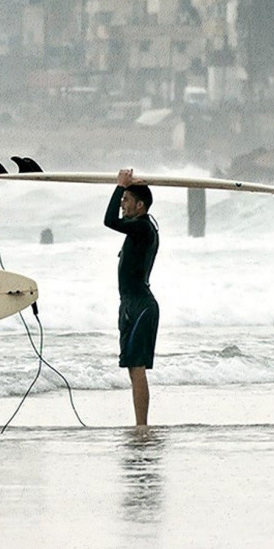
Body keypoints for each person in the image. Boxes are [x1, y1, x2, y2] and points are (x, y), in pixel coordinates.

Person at [104, 168, 160, 427]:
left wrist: (119, 186)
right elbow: (116, 220)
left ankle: (142, 427)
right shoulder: (139, 227)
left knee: (136, 367)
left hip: (140, 306)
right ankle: (141, 425)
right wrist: (125, 187)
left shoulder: (143, 228)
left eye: (126, 200)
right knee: (131, 367)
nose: (122, 205)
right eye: (122, 200)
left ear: (140, 205)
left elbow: (109, 221)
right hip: (130, 305)